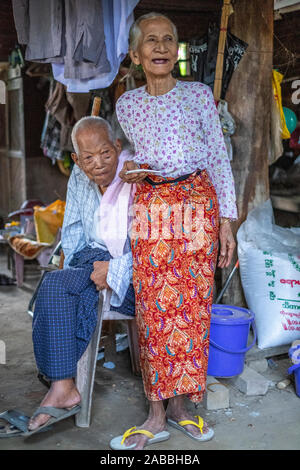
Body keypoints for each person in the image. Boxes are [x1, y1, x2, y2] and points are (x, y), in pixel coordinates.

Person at [110, 12, 238, 450]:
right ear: (136, 53)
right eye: (151, 41)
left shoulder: (199, 95)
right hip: (151, 209)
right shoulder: (126, 105)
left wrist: (227, 222)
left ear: (177, 50)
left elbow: (218, 159)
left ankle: (184, 408)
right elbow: (138, 154)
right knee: (153, 306)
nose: (161, 47)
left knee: (192, 306)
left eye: (168, 40)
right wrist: (131, 169)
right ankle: (156, 412)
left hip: (198, 204)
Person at [26, 116, 136, 435]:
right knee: (55, 286)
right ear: (77, 159)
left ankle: (63, 389)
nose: (98, 163)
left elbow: (151, 246)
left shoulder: (134, 175)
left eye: (105, 153)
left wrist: (114, 269)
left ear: (117, 147)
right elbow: (72, 229)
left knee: (66, 291)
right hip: (90, 260)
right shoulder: (78, 175)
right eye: (88, 158)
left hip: (131, 271)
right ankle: (63, 386)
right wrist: (79, 268)